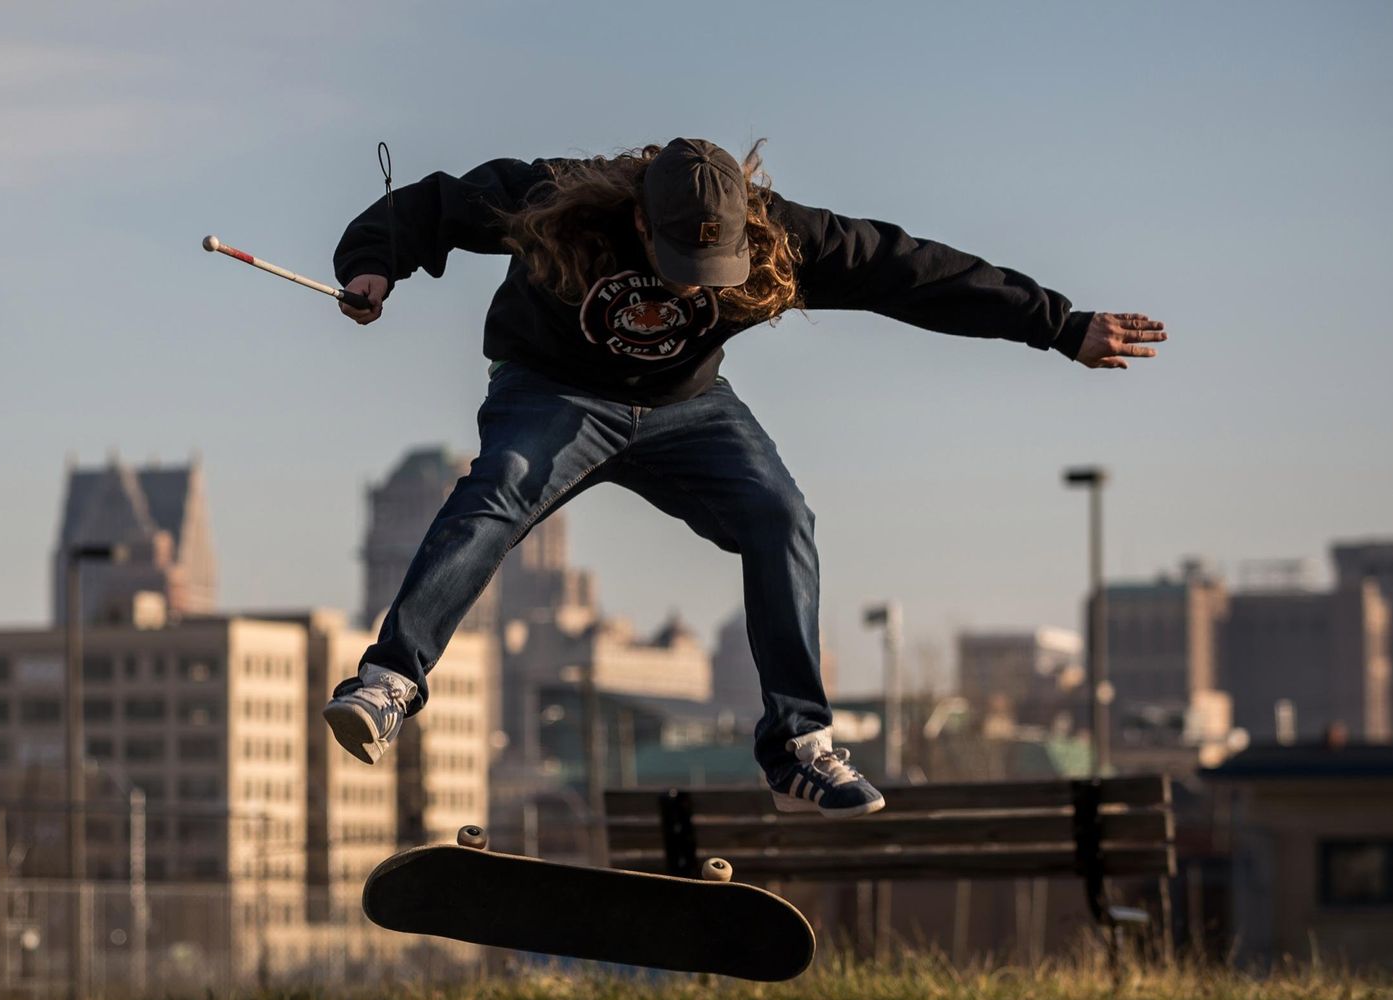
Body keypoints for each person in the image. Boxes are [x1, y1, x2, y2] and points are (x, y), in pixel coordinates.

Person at [322, 138, 1164, 817]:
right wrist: (373, 265)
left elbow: (917, 272)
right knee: (498, 488)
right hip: (555, 393)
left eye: (708, 267)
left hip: (689, 410)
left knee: (781, 516)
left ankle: (798, 746)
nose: (694, 283)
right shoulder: (557, 194)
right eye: (679, 260)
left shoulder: (782, 234)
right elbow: (429, 205)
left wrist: (1060, 325)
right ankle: (390, 680)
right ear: (640, 223)